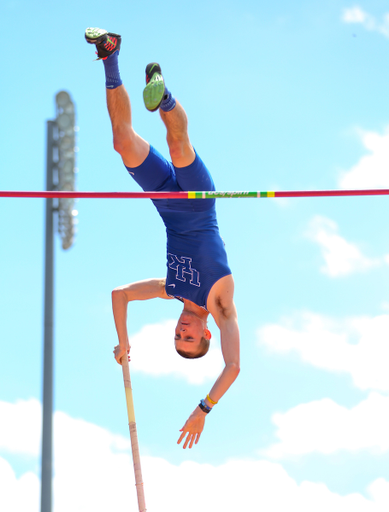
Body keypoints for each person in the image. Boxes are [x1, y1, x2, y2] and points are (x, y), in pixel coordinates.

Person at [85, 27, 240, 449]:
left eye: (177, 336)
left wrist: (123, 340)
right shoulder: (221, 306)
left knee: (122, 141)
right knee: (178, 142)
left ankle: (109, 54)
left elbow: (119, 293)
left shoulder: (169, 290)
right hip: (197, 203)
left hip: (164, 205)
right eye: (190, 337)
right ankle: (164, 96)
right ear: (206, 334)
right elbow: (233, 367)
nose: (182, 330)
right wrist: (203, 408)